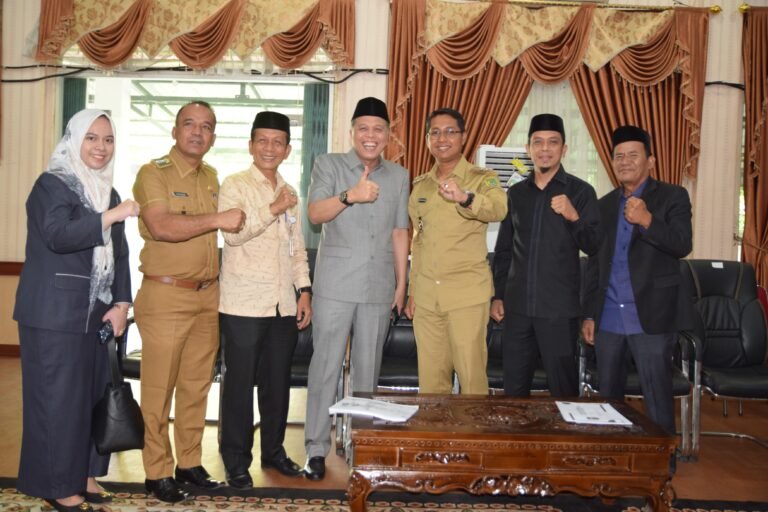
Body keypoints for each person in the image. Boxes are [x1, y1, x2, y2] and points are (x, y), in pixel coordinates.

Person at [14, 109, 139, 512]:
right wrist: (111, 216)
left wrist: (122, 304)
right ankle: (56, 484)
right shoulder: (52, 184)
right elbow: (57, 235)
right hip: (54, 315)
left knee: (93, 398)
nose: (101, 147)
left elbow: (120, 254)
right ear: (73, 140)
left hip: (97, 314)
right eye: (92, 138)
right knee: (58, 402)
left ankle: (84, 473)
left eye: (108, 139)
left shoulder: (108, 192)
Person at [132, 101, 245, 502]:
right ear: (175, 130)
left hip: (207, 295)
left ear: (213, 137)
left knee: (196, 387)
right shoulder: (153, 173)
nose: (198, 132)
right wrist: (217, 219)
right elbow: (161, 226)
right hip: (166, 294)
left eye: (207, 127)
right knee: (158, 389)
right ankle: (157, 471)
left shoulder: (211, 176)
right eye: (190, 124)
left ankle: (189, 463)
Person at [303, 97, 409, 480]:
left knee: (368, 373)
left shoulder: (399, 175)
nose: (370, 135)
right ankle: (316, 449)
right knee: (325, 368)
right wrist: (351, 195)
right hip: (335, 285)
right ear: (352, 132)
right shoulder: (328, 164)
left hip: (379, 286)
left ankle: (361, 445)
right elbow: (315, 214)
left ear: (388, 135)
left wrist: (402, 284)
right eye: (363, 128)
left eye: (378, 129)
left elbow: (400, 231)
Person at [217, 111, 312, 488]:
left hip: (282, 304)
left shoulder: (290, 191)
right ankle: (236, 461)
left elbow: (297, 248)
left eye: (278, 142)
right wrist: (273, 209)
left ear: (287, 149)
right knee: (239, 386)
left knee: (277, 384)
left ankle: (274, 452)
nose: (269, 148)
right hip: (243, 303)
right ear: (251, 145)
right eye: (263, 141)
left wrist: (304, 290)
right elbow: (233, 234)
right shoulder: (234, 185)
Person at [581, 125, 693, 436]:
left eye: (633, 155)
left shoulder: (673, 196)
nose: (625, 162)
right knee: (609, 403)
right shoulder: (604, 205)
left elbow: (682, 244)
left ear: (651, 161)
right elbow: (595, 264)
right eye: (619, 156)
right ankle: (614, 456)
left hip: (651, 317)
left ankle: (662, 458)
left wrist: (647, 220)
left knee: (657, 400)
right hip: (608, 319)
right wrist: (589, 313)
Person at [492, 113, 601, 398]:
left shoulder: (581, 192)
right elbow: (504, 250)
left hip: (559, 312)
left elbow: (595, 247)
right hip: (517, 309)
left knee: (563, 390)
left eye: (552, 142)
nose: (544, 148)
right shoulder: (516, 194)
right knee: (514, 390)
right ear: (528, 149)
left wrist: (574, 217)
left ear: (564, 149)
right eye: (538, 142)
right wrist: (498, 295)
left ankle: (563, 430)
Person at [405, 108, 507, 394]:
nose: (442, 139)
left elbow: (499, 209)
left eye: (450, 132)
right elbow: (418, 242)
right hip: (427, 298)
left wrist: (465, 198)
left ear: (463, 137)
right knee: (431, 384)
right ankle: (435, 428)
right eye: (435, 133)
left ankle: (472, 428)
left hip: (466, 296)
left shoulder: (482, 178)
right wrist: (413, 292)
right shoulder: (420, 186)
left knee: (472, 381)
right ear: (427, 139)